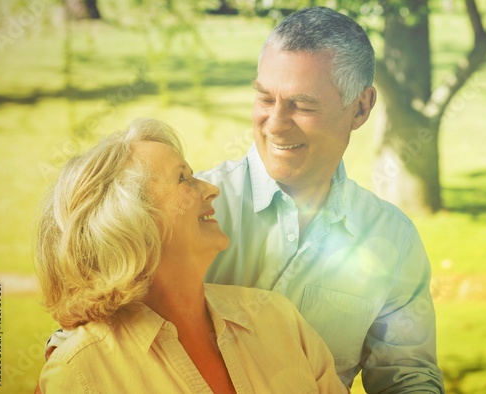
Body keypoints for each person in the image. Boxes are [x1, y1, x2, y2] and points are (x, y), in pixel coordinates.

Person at [198, 7, 443, 392]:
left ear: (360, 108)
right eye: (265, 99)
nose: (276, 124)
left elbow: (406, 377)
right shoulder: (192, 210)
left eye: (303, 105)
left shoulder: (394, 242)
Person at [35, 118, 347, 393]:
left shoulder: (279, 319)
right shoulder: (79, 372)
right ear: (128, 221)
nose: (211, 189)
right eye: (183, 178)